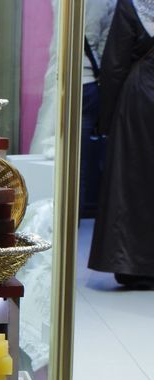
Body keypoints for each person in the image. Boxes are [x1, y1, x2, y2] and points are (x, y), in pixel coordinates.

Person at [90, 0, 154, 286]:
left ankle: (131, 264)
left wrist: (106, 120)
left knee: (133, 182)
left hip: (141, 98)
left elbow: (115, 63)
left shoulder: (135, 4)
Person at [81, 0, 117, 217]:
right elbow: (106, 48)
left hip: (65, 81)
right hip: (88, 81)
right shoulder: (108, 3)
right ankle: (75, 216)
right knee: (81, 161)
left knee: (66, 157)